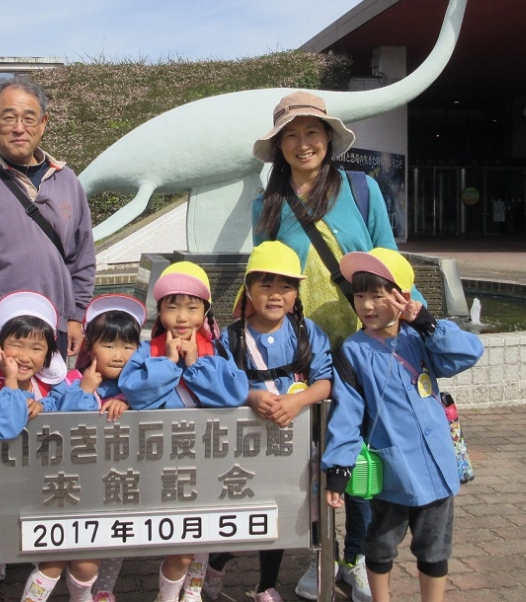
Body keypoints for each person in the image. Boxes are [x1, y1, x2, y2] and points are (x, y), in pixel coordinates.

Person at [252, 90, 425, 602]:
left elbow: (389, 261)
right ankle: (320, 556)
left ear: (328, 138)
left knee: (362, 457)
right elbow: (265, 277)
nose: (302, 143)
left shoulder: (361, 189)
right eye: (290, 135)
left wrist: (412, 319)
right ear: (279, 146)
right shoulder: (268, 203)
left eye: (312, 132)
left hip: (362, 342)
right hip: (301, 351)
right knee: (313, 459)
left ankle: (356, 559)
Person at [322, 249, 483, 602]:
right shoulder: (353, 351)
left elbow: (469, 352)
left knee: (435, 549)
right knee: (379, 546)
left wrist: (425, 321)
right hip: (391, 472)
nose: (366, 305)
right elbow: (346, 416)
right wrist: (338, 467)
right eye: (359, 296)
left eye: (377, 295)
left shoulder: (421, 337)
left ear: (402, 297)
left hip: (437, 467)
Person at [0, 74, 96, 389]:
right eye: (8, 117)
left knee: (47, 408)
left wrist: (76, 316)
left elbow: (82, 257)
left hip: (51, 324)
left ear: (43, 123)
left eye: (29, 118)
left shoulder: (67, 181)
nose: (19, 128)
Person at [205, 242, 333, 602]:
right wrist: (250, 397)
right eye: (265, 285)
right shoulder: (231, 337)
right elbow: (217, 384)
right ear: (248, 289)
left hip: (295, 444)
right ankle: (216, 562)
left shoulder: (308, 332)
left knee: (281, 514)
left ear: (296, 294)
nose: (276, 294)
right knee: (246, 515)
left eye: (286, 286)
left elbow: (324, 381)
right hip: (246, 446)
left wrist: (297, 401)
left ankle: (266, 586)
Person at [119, 262, 249, 602]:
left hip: (208, 456)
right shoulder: (148, 351)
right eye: (172, 306)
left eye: (192, 307)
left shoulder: (214, 350)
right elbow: (137, 395)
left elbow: (233, 394)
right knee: (180, 540)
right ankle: (168, 595)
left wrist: (194, 364)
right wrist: (168, 362)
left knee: (202, 531)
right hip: (164, 459)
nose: (181, 317)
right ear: (159, 311)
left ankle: (192, 592)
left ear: (204, 312)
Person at [0, 291, 96, 602]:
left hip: (40, 480)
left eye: (36, 348)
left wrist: (64, 399)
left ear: (49, 354)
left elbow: (76, 415)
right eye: (17, 344)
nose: (25, 357)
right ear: (0, 345)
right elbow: (3, 424)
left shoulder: (54, 387)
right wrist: (12, 384)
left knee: (28, 534)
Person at [52, 293, 148, 602]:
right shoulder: (71, 381)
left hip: (122, 481)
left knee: (116, 539)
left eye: (128, 346)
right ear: (89, 346)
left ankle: (105, 590)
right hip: (81, 484)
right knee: (85, 548)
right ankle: (80, 594)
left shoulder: (139, 386)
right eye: (108, 345)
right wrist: (85, 390)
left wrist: (129, 402)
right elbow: (63, 425)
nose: (119, 355)